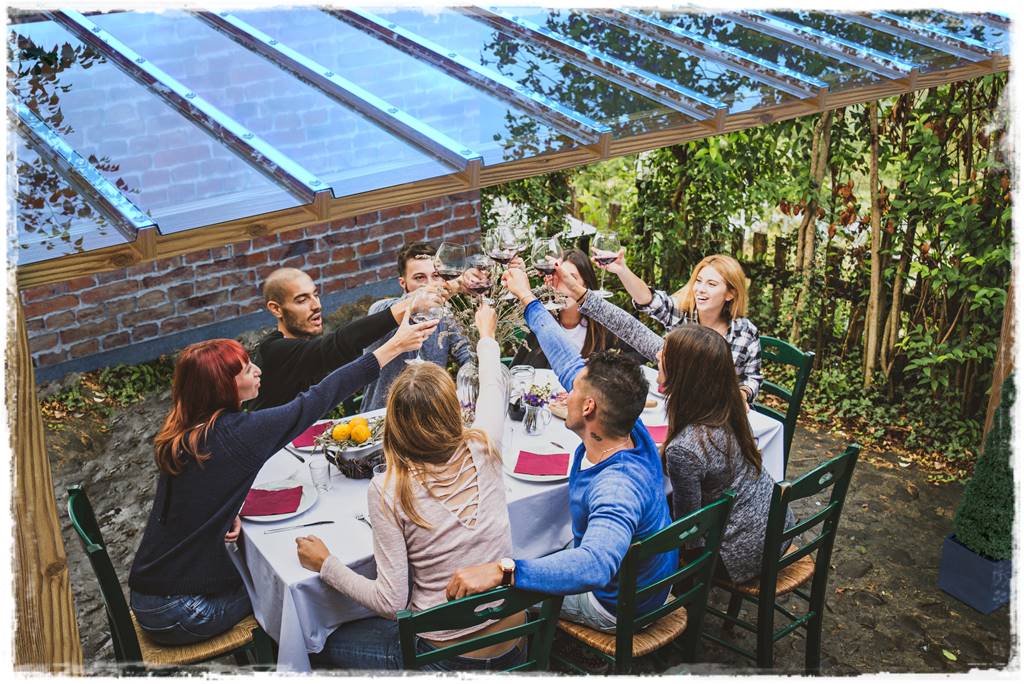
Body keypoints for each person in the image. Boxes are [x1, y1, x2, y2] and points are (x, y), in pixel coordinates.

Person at [128, 313, 436, 646]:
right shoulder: (239, 435)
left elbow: (192, 496)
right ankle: (316, 658)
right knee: (300, 588)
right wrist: (393, 347)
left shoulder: (184, 431)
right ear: (221, 386)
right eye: (247, 369)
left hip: (151, 593)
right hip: (185, 612)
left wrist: (224, 510)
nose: (258, 370)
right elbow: (319, 398)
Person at [294, 302, 524, 671]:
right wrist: (486, 336)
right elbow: (493, 384)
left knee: (314, 641)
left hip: (444, 659)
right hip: (513, 642)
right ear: (454, 410)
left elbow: (391, 603)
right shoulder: (485, 444)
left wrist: (327, 565)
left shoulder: (389, 489)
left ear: (394, 424)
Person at [446, 269, 676, 634]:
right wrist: (526, 299)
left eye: (573, 391)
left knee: (500, 588)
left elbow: (594, 565)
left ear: (588, 409)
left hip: (619, 604)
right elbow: (566, 359)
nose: (566, 392)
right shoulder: (628, 422)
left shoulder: (616, 487)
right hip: (647, 580)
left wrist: (504, 571)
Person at [549, 264, 791, 583]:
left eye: (662, 360)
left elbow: (687, 533)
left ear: (680, 374)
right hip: (778, 526)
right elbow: (631, 328)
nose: (656, 359)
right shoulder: (725, 405)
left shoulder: (686, 448)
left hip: (742, 555)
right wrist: (580, 294)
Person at [249, 267, 433, 410]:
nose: (316, 305)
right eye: (302, 300)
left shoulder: (305, 347)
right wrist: (408, 308)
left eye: (315, 294)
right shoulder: (274, 351)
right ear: (276, 309)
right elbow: (340, 344)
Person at [598, 251, 762, 403]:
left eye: (711, 284)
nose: (700, 289)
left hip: (721, 410)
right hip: (680, 404)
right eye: (698, 281)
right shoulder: (682, 313)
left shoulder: (745, 332)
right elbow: (648, 300)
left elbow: (752, 378)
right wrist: (622, 270)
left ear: (730, 294)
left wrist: (742, 395)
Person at [361, 242, 474, 411]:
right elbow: (393, 308)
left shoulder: (446, 314)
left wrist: (469, 384)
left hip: (430, 415)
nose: (430, 284)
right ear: (403, 283)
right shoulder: (381, 310)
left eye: (435, 276)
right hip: (381, 417)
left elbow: (466, 354)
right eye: (419, 278)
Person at [510, 249, 643, 369]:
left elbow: (640, 352)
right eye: (559, 277)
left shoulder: (604, 327)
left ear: (586, 283)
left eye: (571, 278)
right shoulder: (541, 320)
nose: (563, 284)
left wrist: (602, 371)